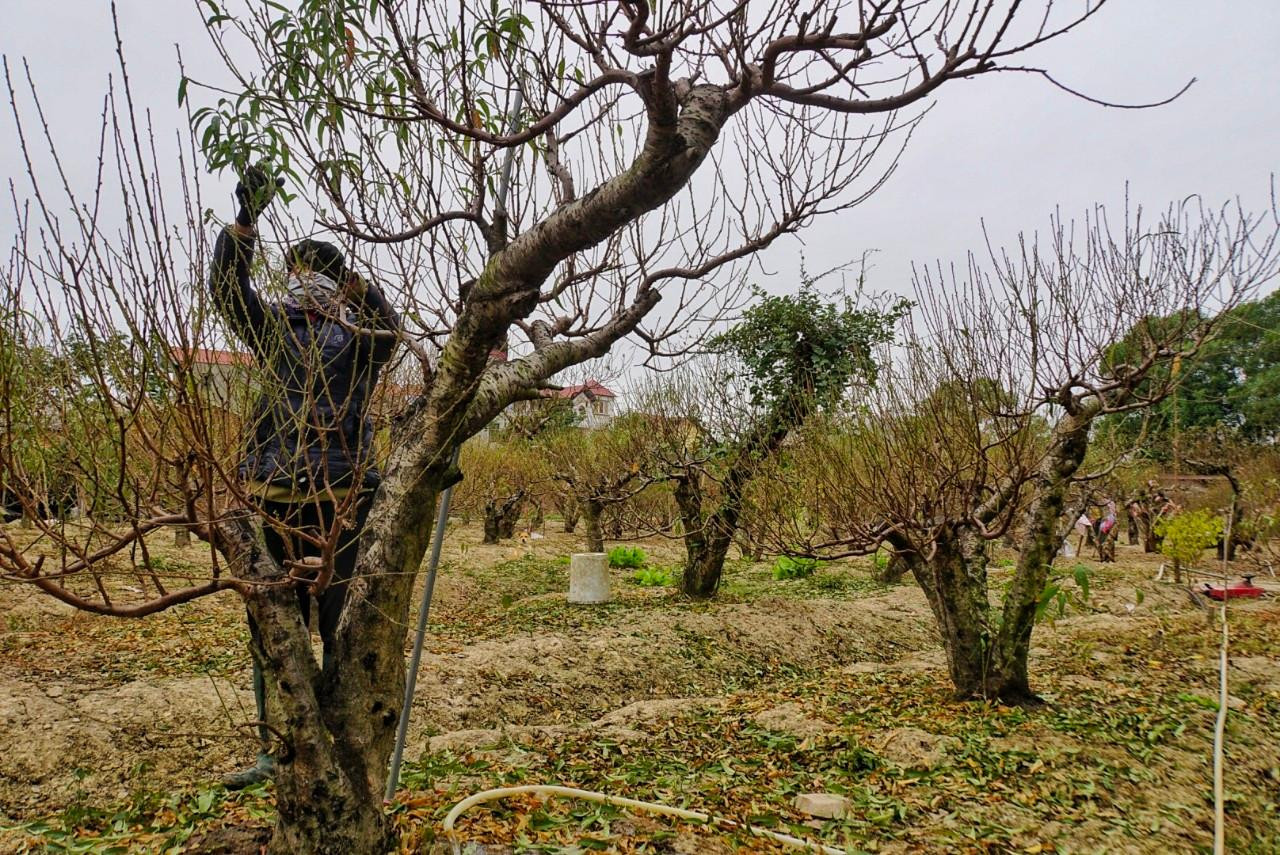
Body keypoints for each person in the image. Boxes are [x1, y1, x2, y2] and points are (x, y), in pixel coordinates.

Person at [208, 167, 400, 788]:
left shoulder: (315, 334)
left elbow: (226, 291)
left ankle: (305, 746)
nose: (307, 285)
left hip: (305, 500)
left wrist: (246, 228)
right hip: (312, 500)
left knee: (302, 625)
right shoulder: (323, 333)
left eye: (308, 274)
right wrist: (246, 228)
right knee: (308, 625)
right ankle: (306, 746)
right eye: (309, 274)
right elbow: (392, 329)